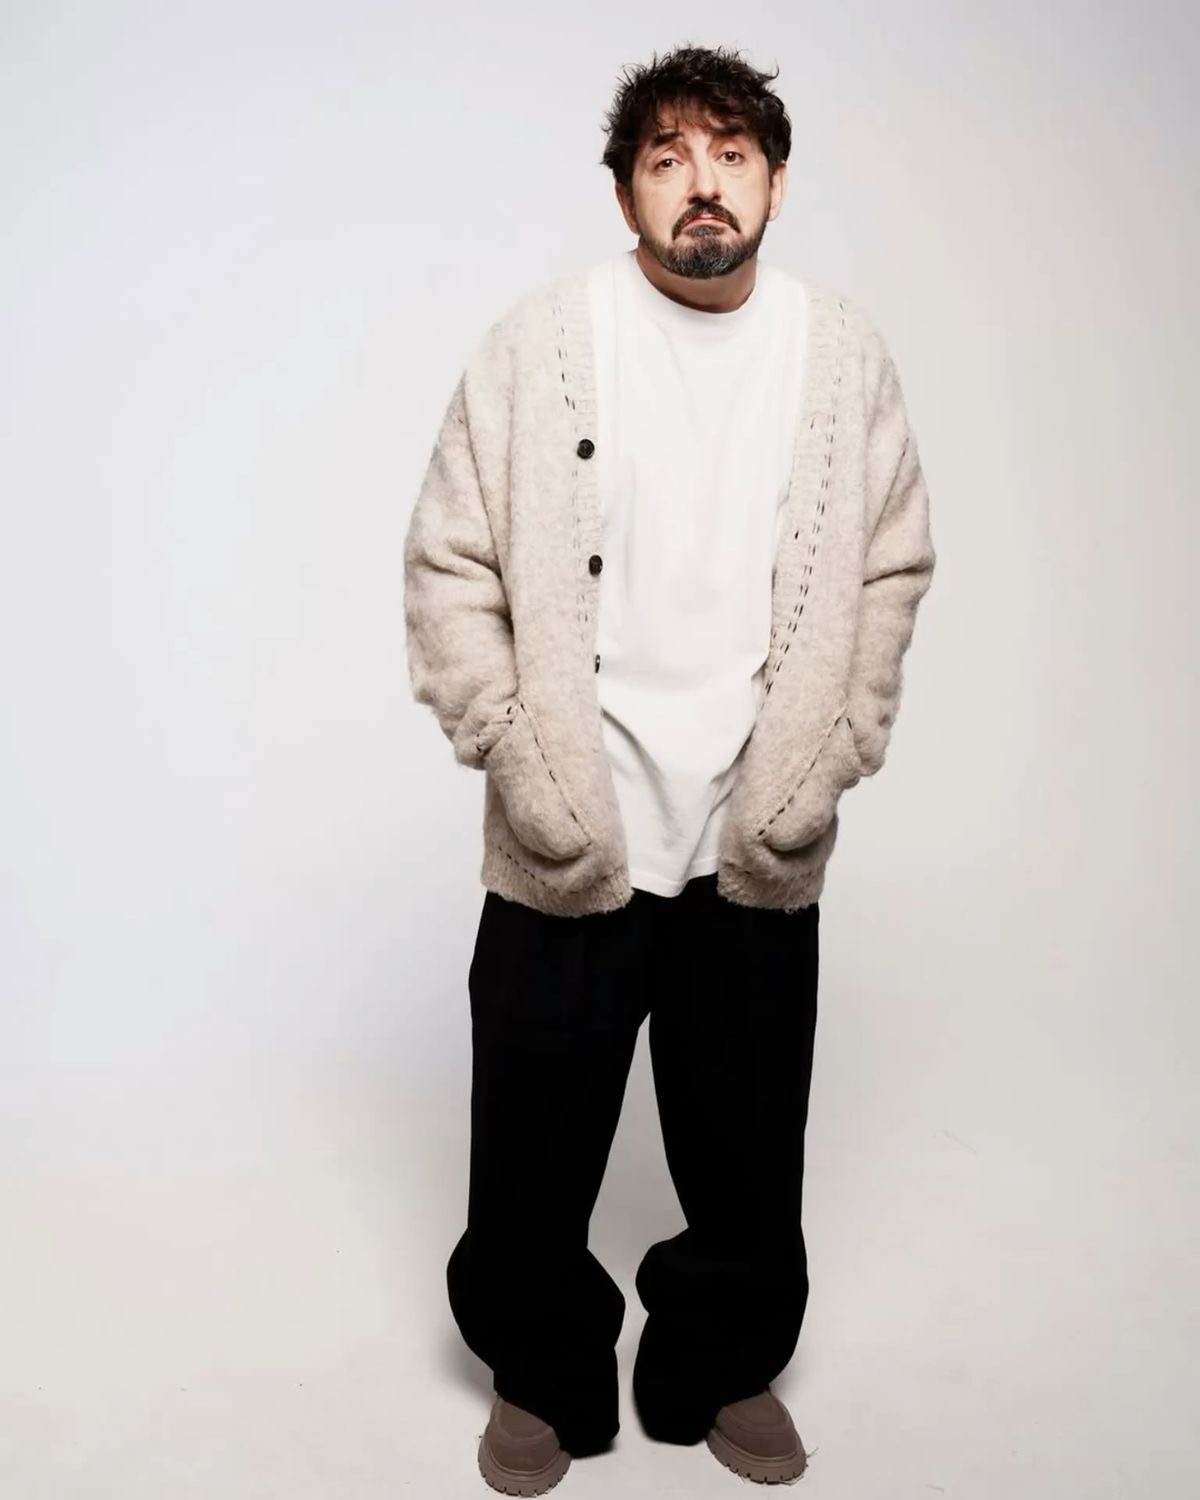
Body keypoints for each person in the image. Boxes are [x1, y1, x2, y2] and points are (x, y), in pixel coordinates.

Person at [403, 42, 937, 1495]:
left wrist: (832, 754)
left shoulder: (842, 357)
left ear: (775, 181)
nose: (704, 184)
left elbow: (891, 566)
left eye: (732, 156)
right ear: (626, 191)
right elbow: (449, 560)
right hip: (570, 830)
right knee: (531, 1142)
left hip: (756, 834)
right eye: (668, 159)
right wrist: (513, 752)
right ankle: (542, 1371)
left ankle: (721, 1360)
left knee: (748, 1145)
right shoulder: (541, 344)